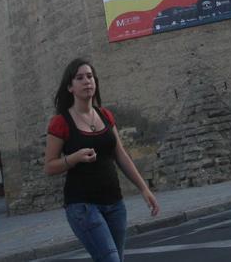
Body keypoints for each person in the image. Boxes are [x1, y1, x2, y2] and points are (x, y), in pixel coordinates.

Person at [44, 58, 159, 262]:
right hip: (83, 207)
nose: (87, 81)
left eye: (90, 76)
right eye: (80, 78)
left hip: (115, 204)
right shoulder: (61, 122)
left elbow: (121, 155)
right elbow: (50, 166)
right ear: (70, 87)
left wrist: (144, 189)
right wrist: (74, 158)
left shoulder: (105, 115)